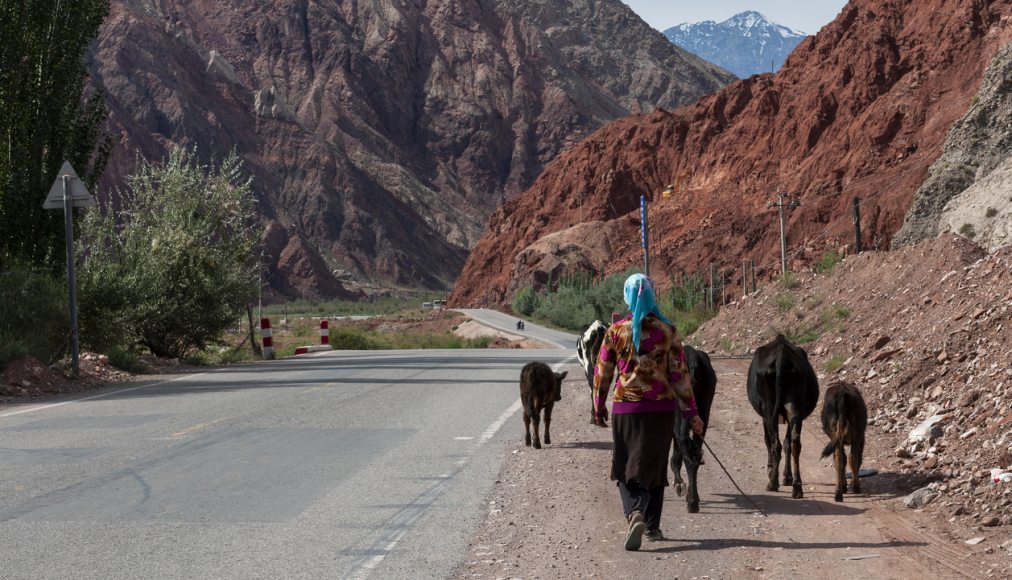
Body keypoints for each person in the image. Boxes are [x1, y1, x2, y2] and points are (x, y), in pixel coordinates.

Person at [593, 273, 704, 551]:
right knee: (655, 465)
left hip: (626, 408)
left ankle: (635, 512)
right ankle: (652, 527)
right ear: (653, 295)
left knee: (624, 463)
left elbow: (602, 373)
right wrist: (692, 414)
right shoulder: (667, 331)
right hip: (662, 409)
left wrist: (598, 406)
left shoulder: (615, 332)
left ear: (628, 296)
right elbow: (680, 376)